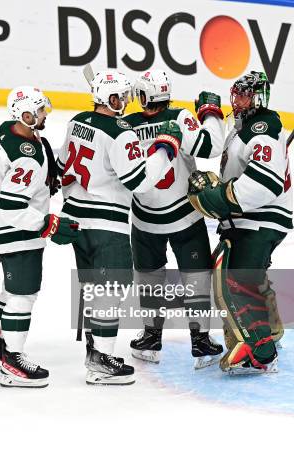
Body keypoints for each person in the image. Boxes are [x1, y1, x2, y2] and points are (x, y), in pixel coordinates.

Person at [57, 70, 174, 384]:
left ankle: (97, 348)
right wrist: (165, 150)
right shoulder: (121, 132)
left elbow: (61, 165)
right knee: (112, 289)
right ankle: (101, 361)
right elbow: (138, 181)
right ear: (102, 96)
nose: (122, 101)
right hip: (106, 222)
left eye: (125, 95)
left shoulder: (76, 121)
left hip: (75, 217)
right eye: (116, 96)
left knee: (96, 288)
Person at [0, 86, 80, 388]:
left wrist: (44, 183)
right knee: (24, 292)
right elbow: (12, 205)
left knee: (11, 290)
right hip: (14, 228)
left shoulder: (6, 131)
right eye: (40, 111)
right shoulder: (29, 157)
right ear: (24, 114)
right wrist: (46, 223)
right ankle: (13, 358)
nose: (45, 114)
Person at [188, 71, 290, 374]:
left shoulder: (264, 127)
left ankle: (259, 350)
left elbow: (265, 183)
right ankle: (270, 331)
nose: (237, 101)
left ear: (258, 97)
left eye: (243, 96)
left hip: (258, 218)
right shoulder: (242, 127)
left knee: (233, 280)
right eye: (235, 95)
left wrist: (221, 196)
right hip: (252, 219)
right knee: (251, 278)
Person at [122, 70, 226, 368]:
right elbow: (211, 146)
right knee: (196, 275)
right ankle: (201, 340)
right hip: (184, 216)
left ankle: (151, 337)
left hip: (144, 218)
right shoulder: (180, 119)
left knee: (149, 276)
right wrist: (210, 114)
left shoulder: (126, 127)